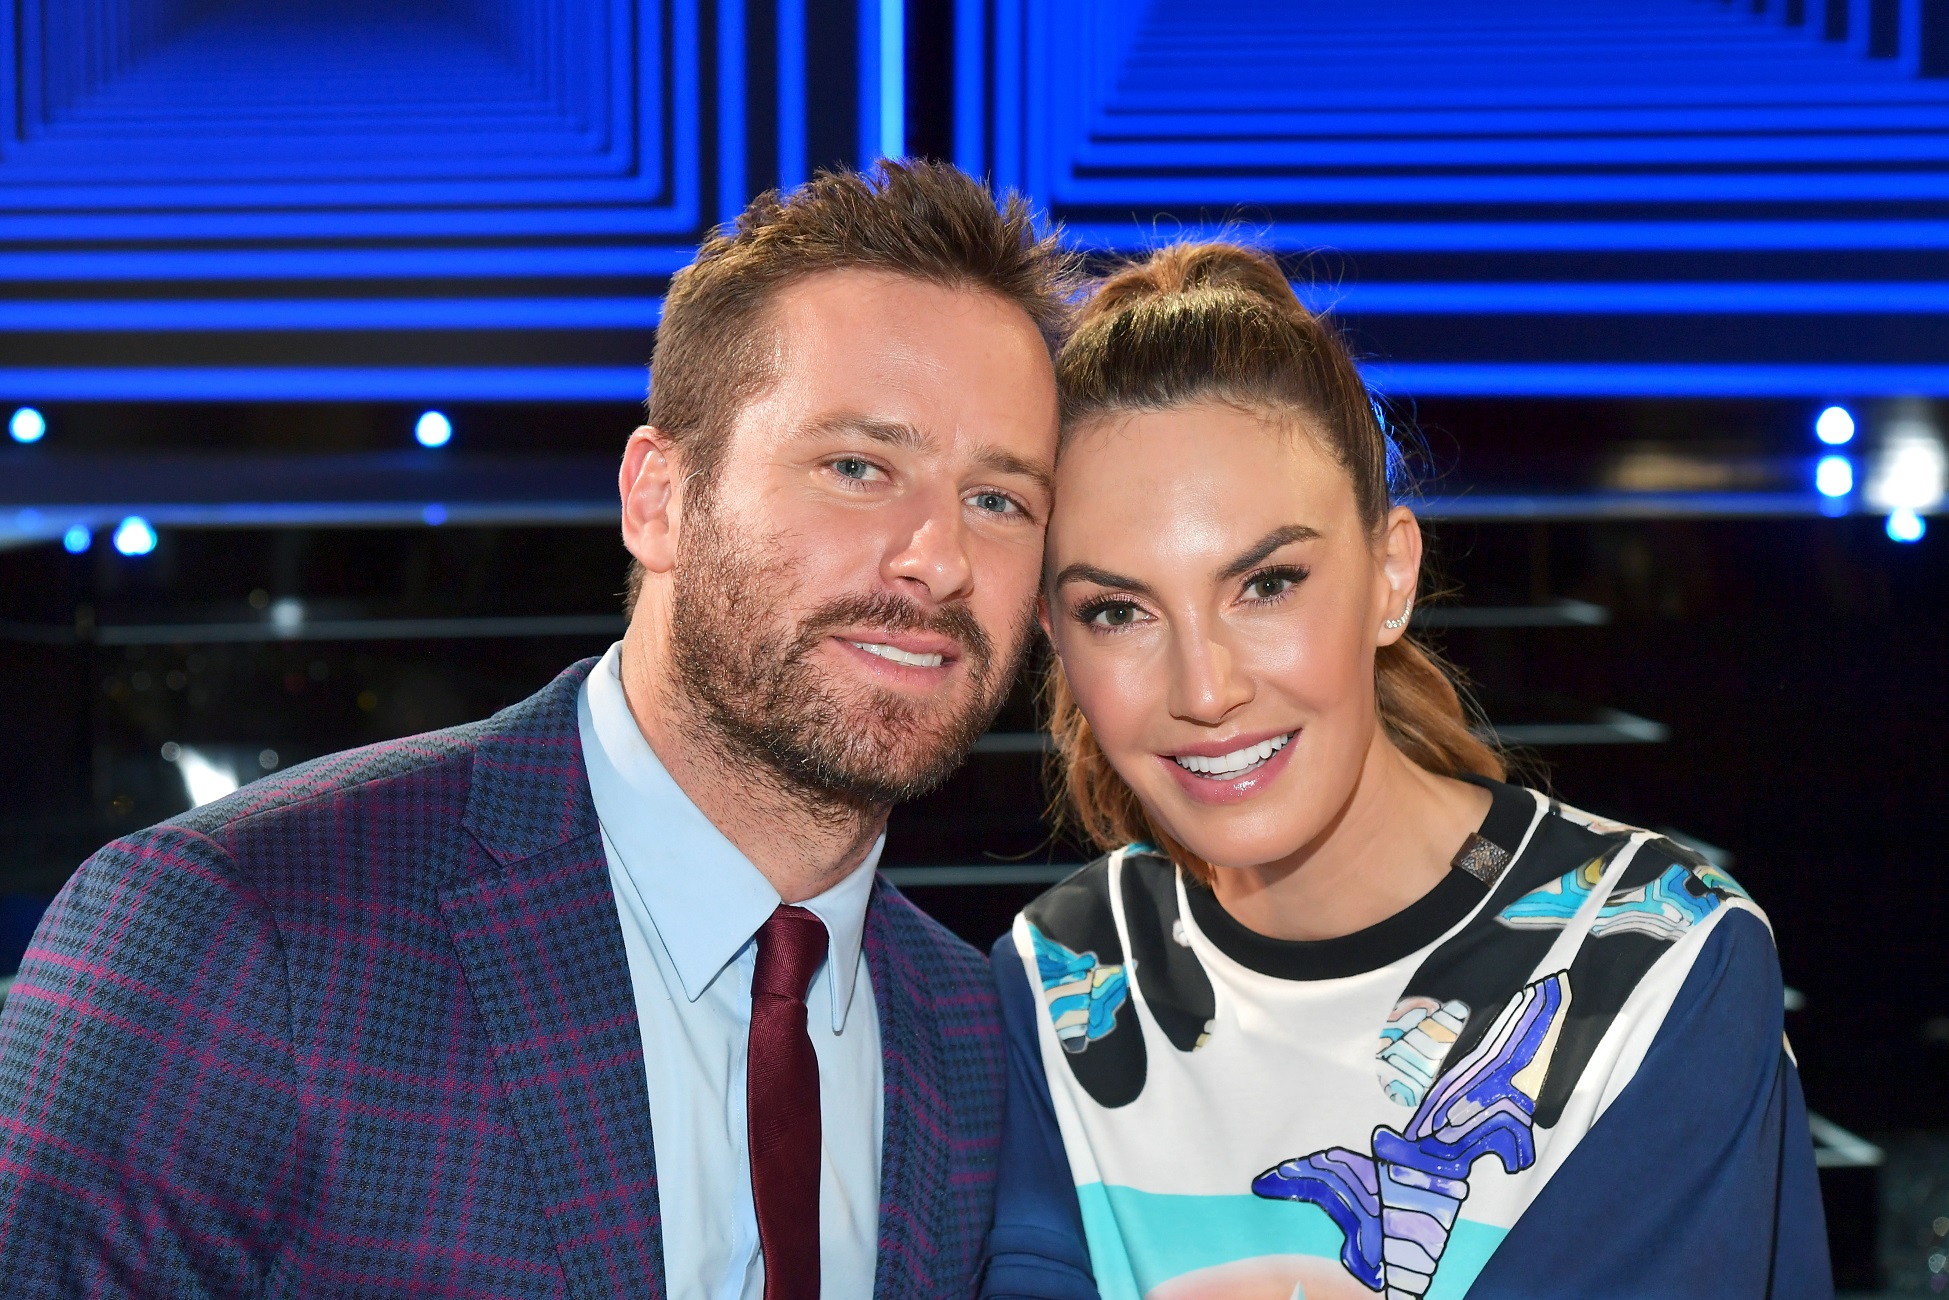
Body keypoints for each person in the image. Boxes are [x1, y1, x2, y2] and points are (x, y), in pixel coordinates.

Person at [0, 161, 1074, 1299]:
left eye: (998, 499)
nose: (940, 558)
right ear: (657, 499)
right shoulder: (235, 926)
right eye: (857, 466)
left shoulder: (975, 1035)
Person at [979, 243, 1831, 1300]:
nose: (1203, 687)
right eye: (1117, 611)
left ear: (1390, 575)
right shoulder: (1058, 988)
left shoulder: (1652, 961)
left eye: (1267, 583)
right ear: (1054, 640)